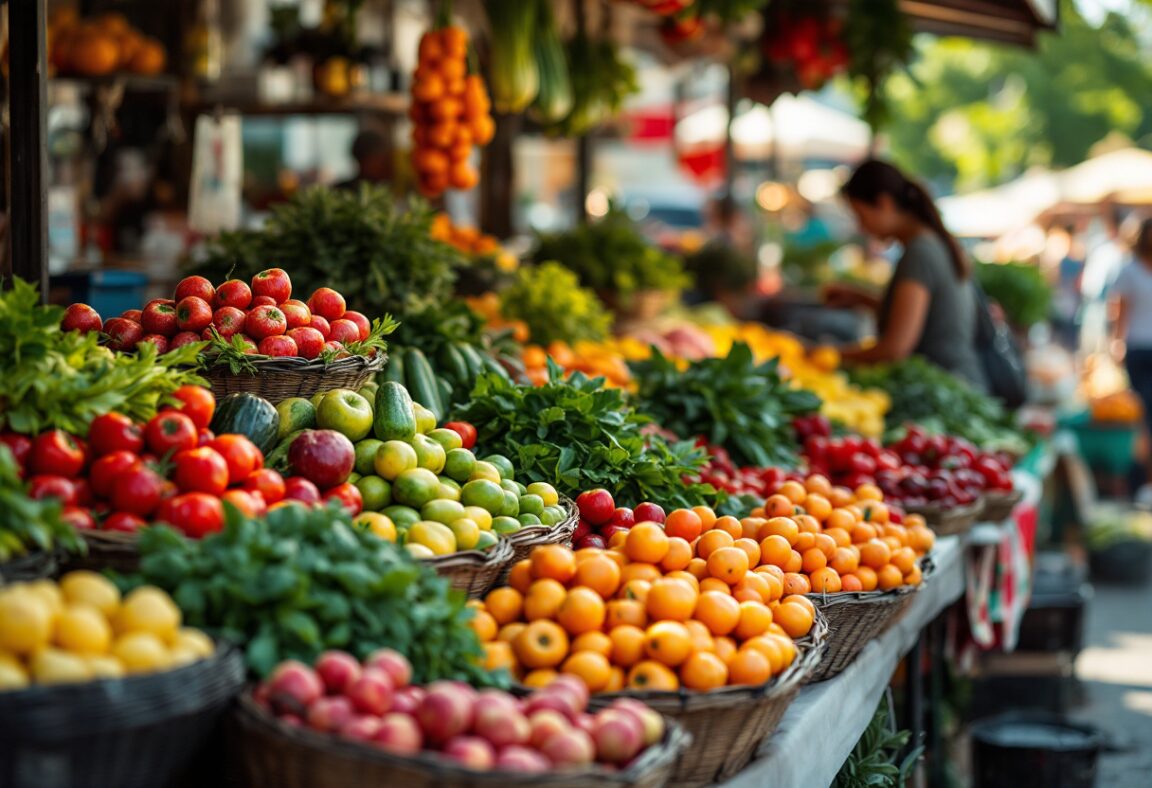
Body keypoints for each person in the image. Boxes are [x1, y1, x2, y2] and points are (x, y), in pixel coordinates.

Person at [823, 159, 986, 389]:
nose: (861, 227)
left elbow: (894, 349)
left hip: (946, 388)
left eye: (861, 215)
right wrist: (861, 299)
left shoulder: (920, 252)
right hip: (957, 382)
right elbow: (925, 317)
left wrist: (823, 355)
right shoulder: (931, 243)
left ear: (884, 203)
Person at [1111, 219, 1152, 440]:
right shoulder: (1129, 270)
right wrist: (1118, 341)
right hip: (1137, 346)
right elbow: (1120, 310)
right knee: (1141, 406)